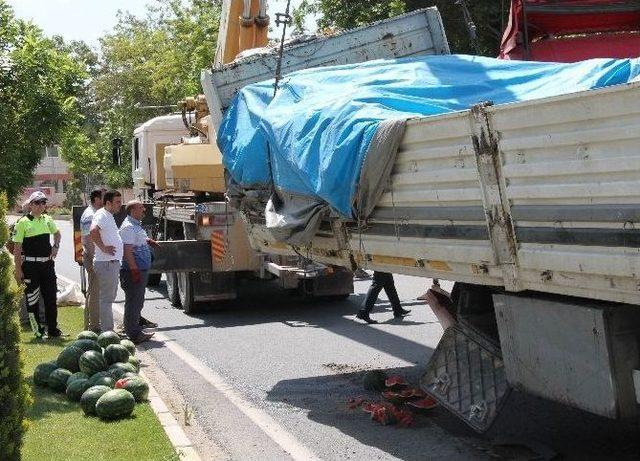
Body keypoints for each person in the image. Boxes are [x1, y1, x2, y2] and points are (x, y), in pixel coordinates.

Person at [12, 191, 62, 338]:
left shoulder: (47, 219)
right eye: (38, 203)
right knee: (32, 300)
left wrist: (56, 246)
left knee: (51, 298)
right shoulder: (22, 222)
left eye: (43, 203)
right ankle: (37, 331)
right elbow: (17, 248)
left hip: (47, 266)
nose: (41, 206)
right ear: (31, 205)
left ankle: (53, 330)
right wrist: (17, 269)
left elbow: (57, 234)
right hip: (30, 267)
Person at [118, 200, 157, 344]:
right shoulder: (128, 227)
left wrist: (148, 241)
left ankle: (134, 330)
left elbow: (136, 241)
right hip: (133, 271)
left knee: (137, 302)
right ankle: (133, 334)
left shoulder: (135, 226)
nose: (144, 210)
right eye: (141, 208)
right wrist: (134, 270)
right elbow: (127, 251)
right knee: (134, 302)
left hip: (139, 269)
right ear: (133, 211)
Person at [90, 190, 123, 332]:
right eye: (117, 202)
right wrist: (103, 248)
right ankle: (108, 332)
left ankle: (108, 330)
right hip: (106, 263)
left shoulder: (108, 215)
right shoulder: (102, 215)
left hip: (110, 263)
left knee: (108, 299)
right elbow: (93, 231)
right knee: (106, 300)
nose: (120, 205)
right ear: (108, 203)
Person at [80, 188, 104, 332]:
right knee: (94, 294)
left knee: (95, 293)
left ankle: (92, 324)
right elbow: (89, 240)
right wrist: (96, 260)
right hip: (94, 258)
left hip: (94, 257)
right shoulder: (91, 215)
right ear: (96, 199)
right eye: (103, 197)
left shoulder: (94, 213)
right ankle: (94, 326)